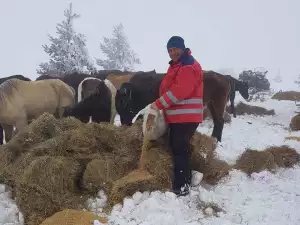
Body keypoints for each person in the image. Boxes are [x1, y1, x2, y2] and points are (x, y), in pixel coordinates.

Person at [150, 36, 204, 196]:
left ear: (182, 48)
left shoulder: (188, 65)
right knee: (180, 148)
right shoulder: (178, 65)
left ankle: (181, 187)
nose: (172, 53)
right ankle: (186, 178)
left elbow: (180, 91)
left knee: (179, 149)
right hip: (180, 117)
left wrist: (157, 104)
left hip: (185, 117)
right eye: (169, 50)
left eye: (175, 49)